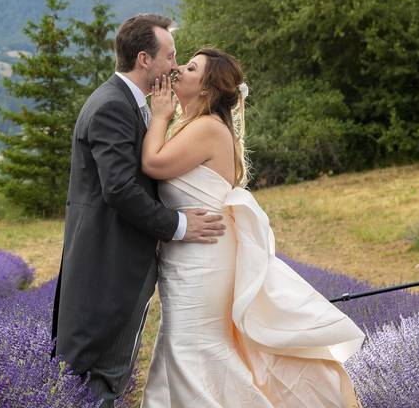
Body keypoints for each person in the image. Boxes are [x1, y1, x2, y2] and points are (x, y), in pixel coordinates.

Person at [139, 47, 364, 407]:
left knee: (193, 350)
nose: (179, 69)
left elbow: (152, 163)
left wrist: (159, 115)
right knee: (180, 350)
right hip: (189, 256)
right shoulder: (196, 126)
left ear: (207, 90)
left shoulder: (208, 128)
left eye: (191, 67)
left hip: (203, 260)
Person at [51, 14, 227, 408]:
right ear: (145, 59)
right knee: (100, 380)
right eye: (171, 56)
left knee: (104, 379)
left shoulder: (130, 104)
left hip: (120, 269)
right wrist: (178, 225)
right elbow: (119, 190)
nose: (175, 66)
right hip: (108, 271)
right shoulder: (113, 106)